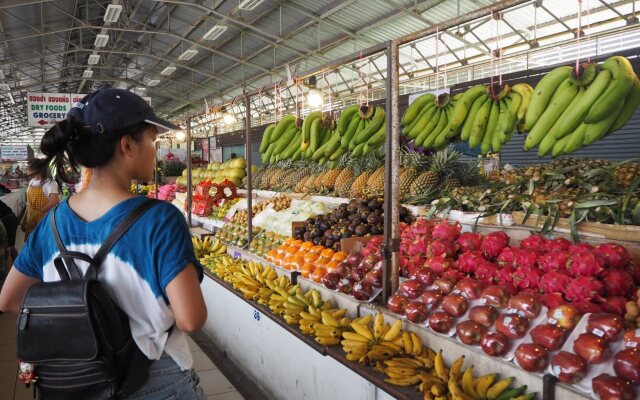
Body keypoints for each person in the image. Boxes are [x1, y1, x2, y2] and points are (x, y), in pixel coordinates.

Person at [0, 88, 207, 399]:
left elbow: (9, 299)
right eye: (153, 140)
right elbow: (191, 319)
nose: (156, 149)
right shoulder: (160, 220)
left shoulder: (52, 223)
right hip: (153, 377)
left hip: (80, 377)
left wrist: (86, 330)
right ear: (127, 145)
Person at [20, 158, 59, 237]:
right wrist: (24, 220)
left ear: (37, 168)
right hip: (31, 220)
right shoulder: (32, 182)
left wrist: (39, 212)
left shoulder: (49, 183)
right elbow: (29, 204)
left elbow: (55, 201)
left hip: (44, 222)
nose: (27, 169)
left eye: (29, 167)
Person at [0, 200, 18, 267]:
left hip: (8, 221)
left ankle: (16, 267)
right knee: (10, 247)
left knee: (9, 248)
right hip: (10, 219)